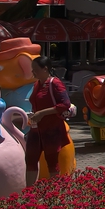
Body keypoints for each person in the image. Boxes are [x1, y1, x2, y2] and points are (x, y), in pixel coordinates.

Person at [25, 56, 72, 187]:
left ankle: (53, 194)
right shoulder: (36, 84)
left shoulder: (54, 83)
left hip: (51, 129)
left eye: (35, 69)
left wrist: (43, 113)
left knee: (52, 161)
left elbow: (65, 104)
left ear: (45, 69)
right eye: (32, 69)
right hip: (35, 129)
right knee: (30, 158)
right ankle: (29, 193)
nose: (33, 72)